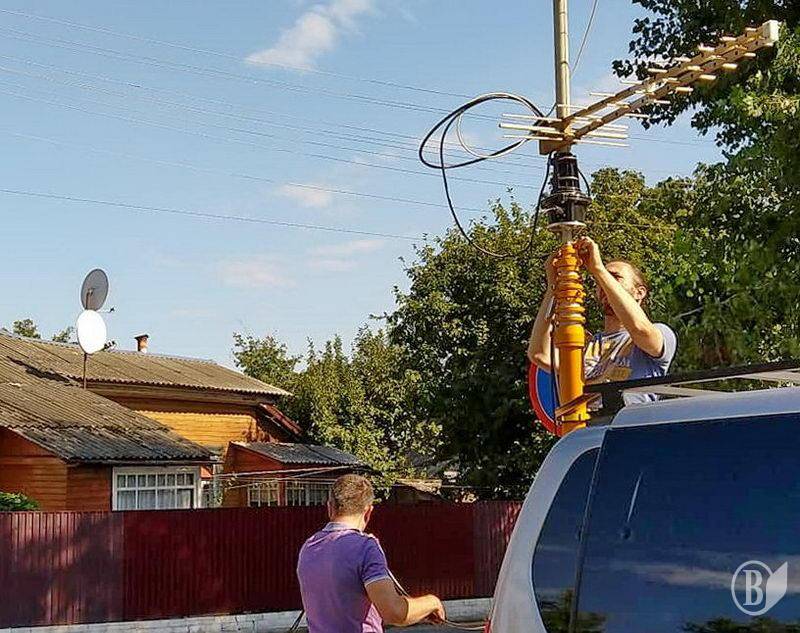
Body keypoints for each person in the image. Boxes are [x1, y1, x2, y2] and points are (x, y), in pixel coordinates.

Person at [528, 236, 677, 405]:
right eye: (600, 281)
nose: (604, 284)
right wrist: (554, 287)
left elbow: (640, 329)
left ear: (639, 293)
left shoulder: (662, 332)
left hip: (629, 420)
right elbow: (539, 354)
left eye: (615, 277)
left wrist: (599, 269)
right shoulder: (587, 345)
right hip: (586, 422)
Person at [297, 474, 446, 632]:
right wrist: (432, 603)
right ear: (368, 512)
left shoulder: (309, 547)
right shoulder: (365, 547)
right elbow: (394, 612)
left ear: (330, 507)